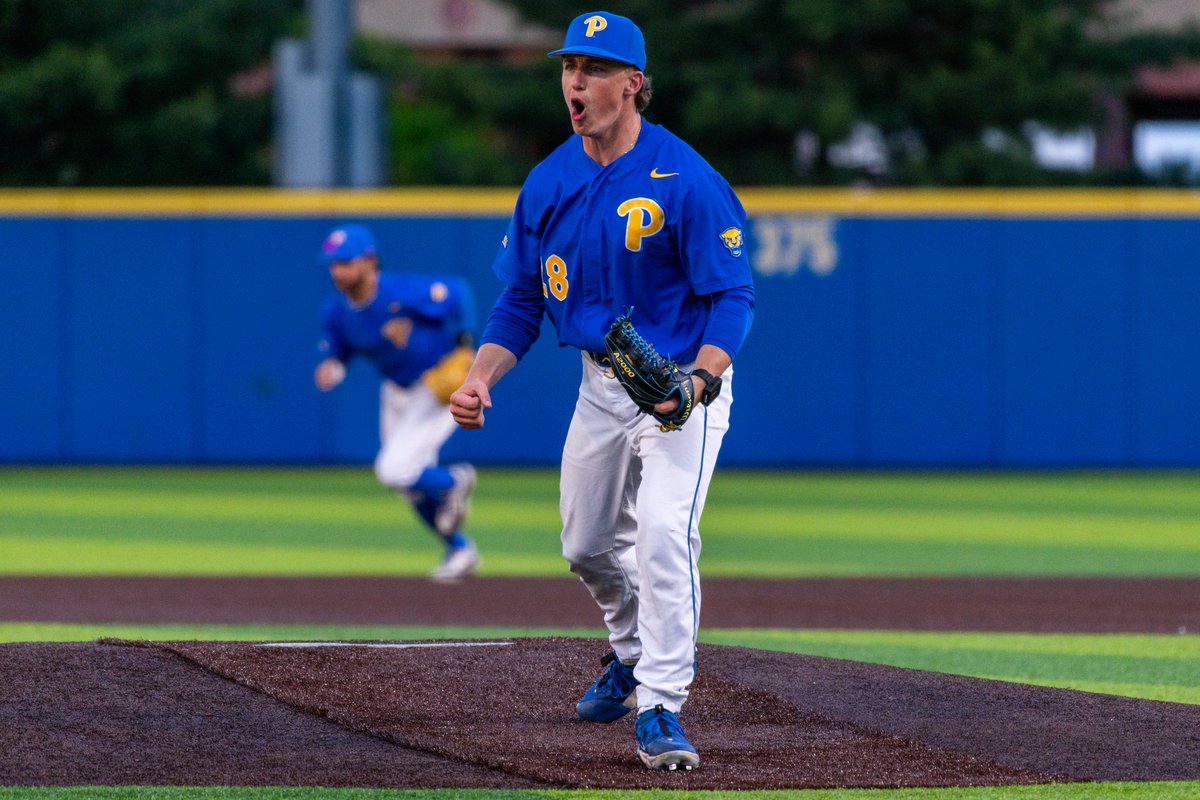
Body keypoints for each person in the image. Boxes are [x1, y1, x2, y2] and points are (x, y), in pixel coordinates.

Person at [450, 10, 754, 771]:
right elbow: (520, 301)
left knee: (660, 534)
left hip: (682, 388)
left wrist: (701, 379)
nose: (574, 81)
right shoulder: (549, 180)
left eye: (592, 67)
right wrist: (480, 377)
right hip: (602, 385)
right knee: (584, 543)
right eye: (567, 66)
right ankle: (629, 650)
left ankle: (660, 704)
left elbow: (733, 298)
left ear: (634, 84)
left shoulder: (685, 177)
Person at [314, 223, 481, 582]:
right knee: (407, 484)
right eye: (332, 263)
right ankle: (459, 548)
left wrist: (466, 344)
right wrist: (333, 366)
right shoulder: (336, 312)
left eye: (345, 262)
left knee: (393, 469)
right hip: (396, 392)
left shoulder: (401, 291)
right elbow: (339, 349)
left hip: (436, 387)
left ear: (369, 261)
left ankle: (454, 480)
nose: (337, 271)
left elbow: (458, 292)